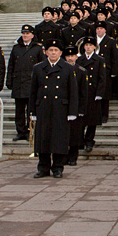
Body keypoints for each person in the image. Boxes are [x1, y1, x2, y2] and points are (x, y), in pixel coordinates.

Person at [29, 39, 78, 178]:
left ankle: (58, 167)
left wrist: (72, 111)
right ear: (46, 52)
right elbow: (33, 91)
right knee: (43, 138)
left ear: (61, 53)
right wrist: (32, 111)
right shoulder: (38, 68)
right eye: (50, 50)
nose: (53, 53)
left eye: (56, 50)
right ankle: (43, 167)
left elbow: (73, 91)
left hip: (60, 108)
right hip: (43, 107)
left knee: (59, 139)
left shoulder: (68, 68)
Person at [7, 24, 44, 141]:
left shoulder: (37, 48)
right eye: (23, 33)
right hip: (18, 83)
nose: (25, 35)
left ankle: (30, 131)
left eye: (27, 33)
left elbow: (42, 67)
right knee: (19, 111)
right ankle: (20, 132)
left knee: (30, 111)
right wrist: (9, 81)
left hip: (31, 84)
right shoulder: (16, 48)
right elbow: (11, 65)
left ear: (32, 35)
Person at [76, 37, 107, 151]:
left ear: (94, 47)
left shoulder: (99, 60)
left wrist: (99, 93)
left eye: (90, 45)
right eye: (86, 45)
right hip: (82, 93)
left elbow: (102, 78)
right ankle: (80, 141)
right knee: (81, 119)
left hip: (93, 93)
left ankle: (89, 140)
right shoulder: (79, 60)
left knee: (92, 120)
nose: (88, 47)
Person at [63, 45, 89, 166]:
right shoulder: (61, 70)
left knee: (75, 134)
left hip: (76, 107)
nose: (70, 58)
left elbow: (84, 92)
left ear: (76, 57)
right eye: (68, 56)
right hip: (63, 106)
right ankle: (63, 156)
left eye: (72, 56)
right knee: (63, 134)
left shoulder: (81, 71)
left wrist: (82, 109)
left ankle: (73, 157)